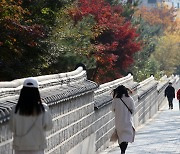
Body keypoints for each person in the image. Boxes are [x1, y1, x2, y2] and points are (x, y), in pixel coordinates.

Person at [9, 77, 53, 154]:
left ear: (23, 91)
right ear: (37, 92)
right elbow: (49, 126)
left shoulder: (16, 109)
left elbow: (12, 128)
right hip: (37, 147)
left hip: (20, 147)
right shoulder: (43, 108)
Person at [112, 85, 135, 154]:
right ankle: (123, 150)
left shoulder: (115, 100)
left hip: (119, 121)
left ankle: (122, 150)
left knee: (120, 137)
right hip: (128, 121)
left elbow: (113, 109)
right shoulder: (130, 99)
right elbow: (133, 110)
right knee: (126, 137)